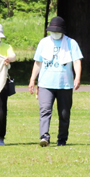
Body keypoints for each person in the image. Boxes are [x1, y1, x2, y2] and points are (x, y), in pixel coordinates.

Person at [28, 16, 83, 147]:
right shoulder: (43, 42)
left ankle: (62, 139)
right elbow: (38, 62)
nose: (55, 33)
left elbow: (77, 61)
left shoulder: (71, 43)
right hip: (45, 84)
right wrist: (32, 80)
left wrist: (77, 77)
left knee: (64, 114)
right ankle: (44, 136)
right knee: (45, 110)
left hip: (65, 84)